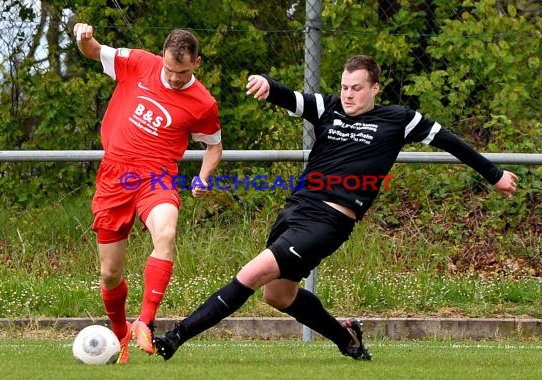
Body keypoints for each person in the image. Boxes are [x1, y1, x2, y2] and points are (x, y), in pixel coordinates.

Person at [153, 55, 518, 361]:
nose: (348, 95)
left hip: (329, 222)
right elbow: (289, 97)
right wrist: (267, 83)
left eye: (357, 88)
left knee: (250, 274)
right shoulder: (329, 107)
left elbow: (451, 142)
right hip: (296, 210)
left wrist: (494, 174)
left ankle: (175, 337)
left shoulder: (398, 119)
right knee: (277, 295)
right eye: (344, 87)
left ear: (375, 88)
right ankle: (347, 338)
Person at [72, 23, 223, 364]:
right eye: (169, 69)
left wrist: (203, 177)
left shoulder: (203, 103)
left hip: (157, 178)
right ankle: (121, 335)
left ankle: (146, 320)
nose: (173, 78)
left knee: (166, 233)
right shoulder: (139, 62)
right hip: (114, 177)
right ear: (162, 58)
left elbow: (214, 147)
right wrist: (83, 36)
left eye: (181, 72)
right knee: (110, 273)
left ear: (196, 64)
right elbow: (94, 50)